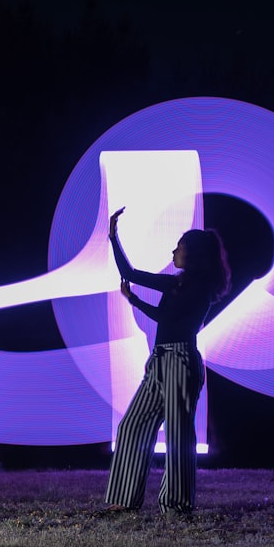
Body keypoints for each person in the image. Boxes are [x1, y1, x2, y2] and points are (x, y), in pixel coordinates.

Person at [103, 207, 231, 516]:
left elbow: (166, 317)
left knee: (177, 434)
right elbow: (132, 274)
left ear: (194, 254)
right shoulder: (177, 284)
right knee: (132, 425)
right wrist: (112, 235)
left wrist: (133, 300)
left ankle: (176, 505)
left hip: (181, 362)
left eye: (180, 247)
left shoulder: (200, 289)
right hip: (159, 361)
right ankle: (124, 499)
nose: (174, 251)